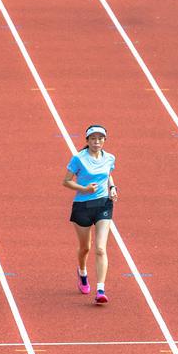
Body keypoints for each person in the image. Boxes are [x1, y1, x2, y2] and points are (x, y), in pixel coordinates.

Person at [63, 124, 118, 304]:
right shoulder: (78, 159)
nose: (97, 142)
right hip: (82, 206)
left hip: (103, 204)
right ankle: (82, 273)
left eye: (100, 138)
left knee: (101, 248)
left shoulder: (109, 158)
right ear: (87, 141)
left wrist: (112, 187)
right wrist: (84, 189)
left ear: (104, 140)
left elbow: (108, 174)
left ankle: (100, 289)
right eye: (93, 138)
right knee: (85, 248)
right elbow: (66, 181)